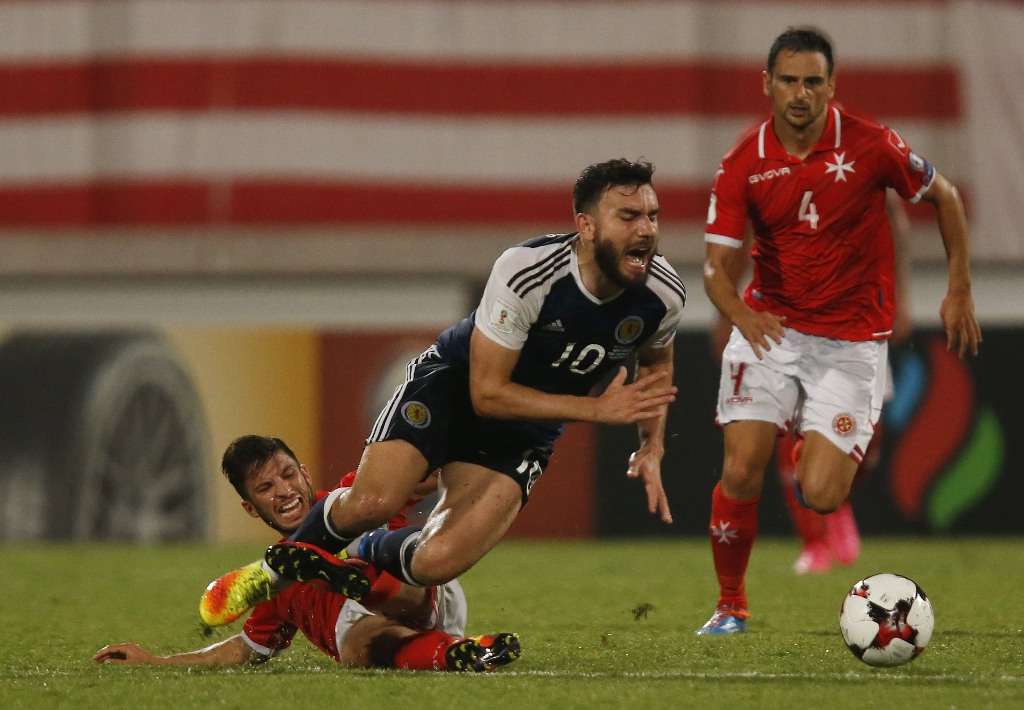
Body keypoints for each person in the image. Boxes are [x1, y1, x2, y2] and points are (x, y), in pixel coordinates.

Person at [201, 158, 685, 625]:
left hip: (525, 432)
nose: (646, 229)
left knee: (438, 562)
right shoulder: (528, 272)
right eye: (629, 216)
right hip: (452, 387)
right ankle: (269, 574)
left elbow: (657, 363)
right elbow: (487, 394)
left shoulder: (663, 294)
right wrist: (597, 409)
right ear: (587, 226)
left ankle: (360, 550)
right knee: (373, 503)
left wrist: (652, 445)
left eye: (652, 215)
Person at [698, 27, 981, 634]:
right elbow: (715, 270)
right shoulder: (743, 162)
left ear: (832, 84)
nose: (801, 94)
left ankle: (807, 444)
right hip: (771, 328)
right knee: (743, 466)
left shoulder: (872, 145)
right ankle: (730, 606)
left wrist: (957, 287)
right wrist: (742, 317)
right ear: (767, 84)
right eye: (790, 80)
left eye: (813, 81)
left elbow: (948, 198)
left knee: (821, 494)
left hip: (852, 341)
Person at [95, 436, 519, 672]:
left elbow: (432, 476)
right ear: (251, 508)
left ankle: (350, 563)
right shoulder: (272, 581)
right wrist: (153, 661)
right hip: (390, 637)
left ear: (304, 473)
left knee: (368, 542)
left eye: (286, 474)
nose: (282, 491)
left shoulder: (356, 497)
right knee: (356, 644)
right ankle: (461, 653)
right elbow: (245, 648)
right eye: (265, 488)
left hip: (422, 591)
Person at [710, 191, 913, 575]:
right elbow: (744, 239)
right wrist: (728, 313)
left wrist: (901, 298)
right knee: (790, 431)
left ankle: (835, 500)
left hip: (856, 313)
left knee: (869, 439)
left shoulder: (863, 157)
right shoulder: (767, 167)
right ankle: (815, 541)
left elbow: (895, 228)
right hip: (785, 317)